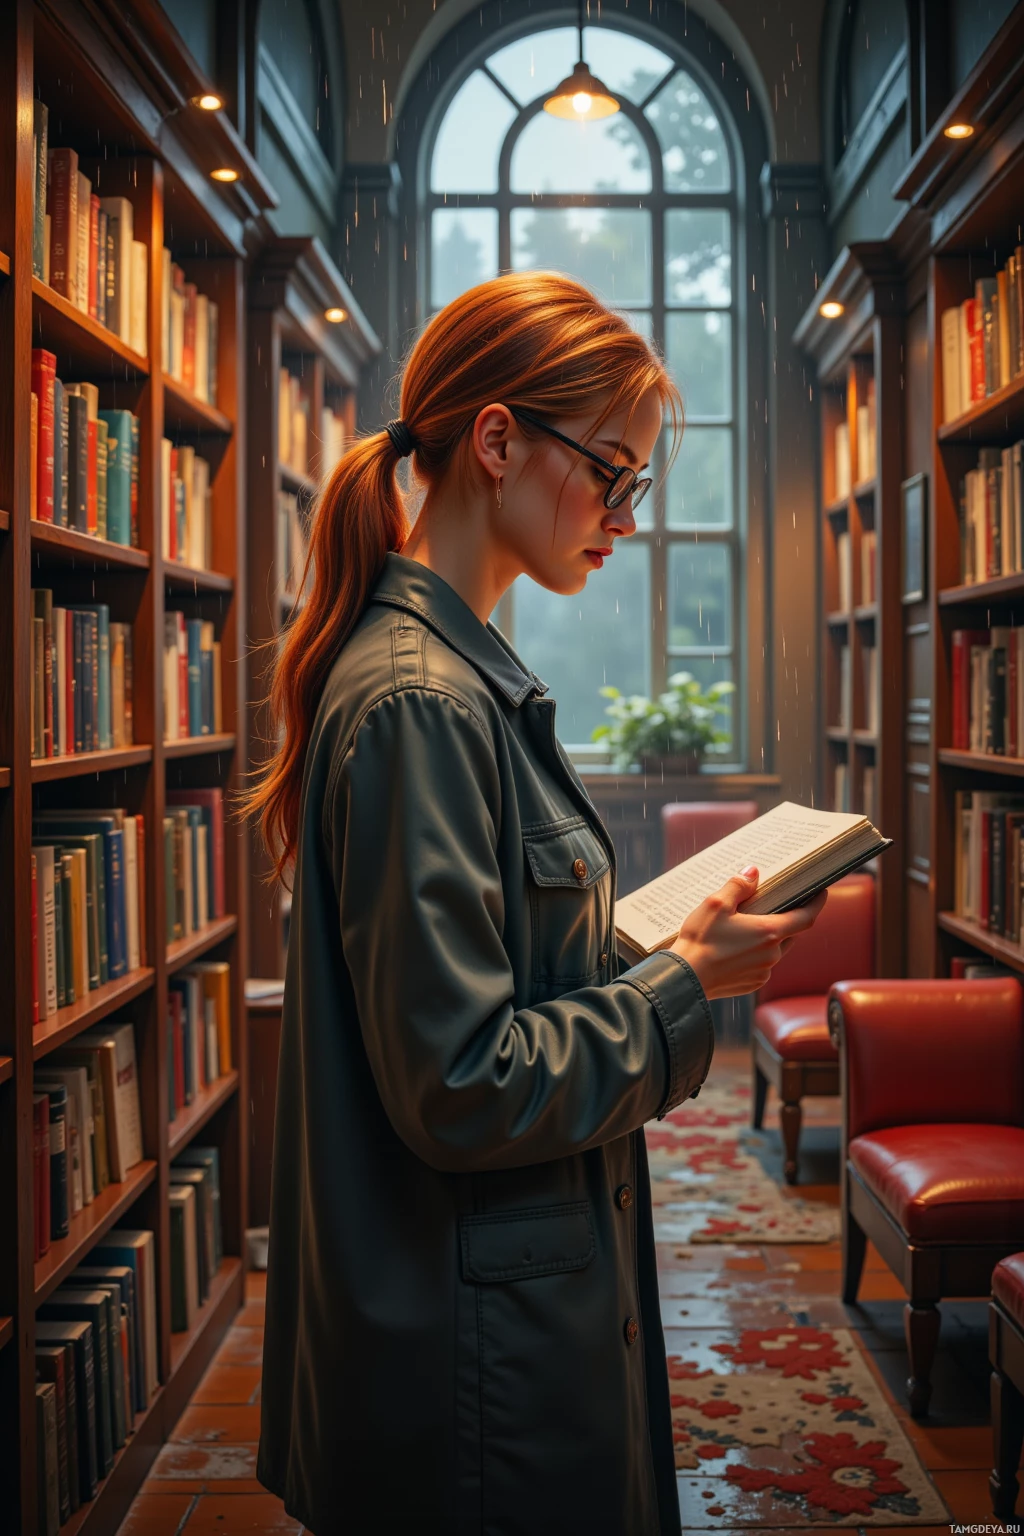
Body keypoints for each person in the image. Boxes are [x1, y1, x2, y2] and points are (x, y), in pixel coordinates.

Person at [248, 270, 824, 1535]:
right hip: (474, 1368)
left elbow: (492, 985)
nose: (623, 513)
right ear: (497, 439)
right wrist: (689, 983)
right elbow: (462, 1078)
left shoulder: (451, 681)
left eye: (638, 485)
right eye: (610, 471)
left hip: (493, 1322)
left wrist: (654, 952)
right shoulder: (421, 703)